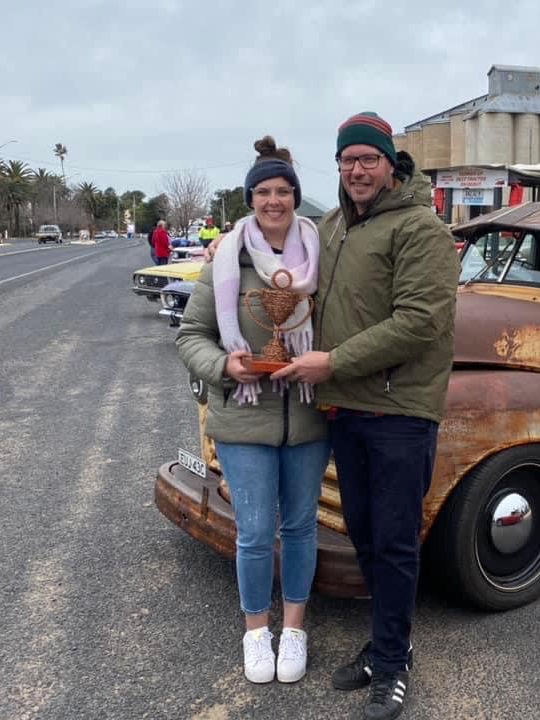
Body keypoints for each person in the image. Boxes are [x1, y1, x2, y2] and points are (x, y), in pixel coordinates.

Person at [274, 112, 459, 720]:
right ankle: (387, 643)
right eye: (347, 159)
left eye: (368, 159)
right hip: (347, 406)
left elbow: (420, 322)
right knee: (364, 535)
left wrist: (332, 363)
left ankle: (393, 662)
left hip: (399, 408)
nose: (356, 170)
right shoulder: (331, 226)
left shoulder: (421, 229)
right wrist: (234, 242)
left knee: (396, 541)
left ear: (389, 164)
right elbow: (282, 253)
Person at [175, 135, 329, 685]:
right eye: (263, 192)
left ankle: (295, 628)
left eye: (283, 191)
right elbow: (191, 334)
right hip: (243, 418)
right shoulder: (226, 260)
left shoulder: (321, 257)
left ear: (295, 197)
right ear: (250, 199)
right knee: (256, 531)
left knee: (302, 526)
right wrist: (224, 365)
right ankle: (256, 631)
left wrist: (323, 361)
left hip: (307, 418)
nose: (273, 201)